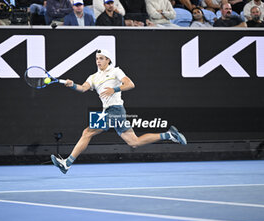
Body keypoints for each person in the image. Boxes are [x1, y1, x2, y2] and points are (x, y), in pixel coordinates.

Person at [51, 49, 187, 174]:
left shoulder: (116, 71)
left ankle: (67, 163)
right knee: (134, 142)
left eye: (102, 58)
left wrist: (114, 89)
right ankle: (169, 135)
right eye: (97, 58)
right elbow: (82, 88)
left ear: (108, 60)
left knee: (87, 132)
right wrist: (71, 85)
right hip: (111, 111)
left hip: (115, 110)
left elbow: (130, 84)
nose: (98, 61)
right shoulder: (93, 77)